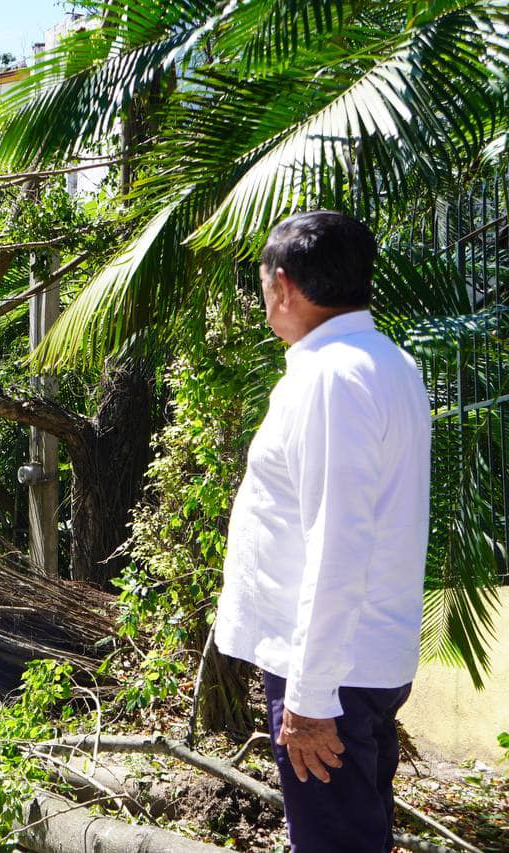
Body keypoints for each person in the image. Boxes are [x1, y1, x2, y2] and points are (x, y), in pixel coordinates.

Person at [215, 211, 431, 852]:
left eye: (262, 289)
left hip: (330, 673)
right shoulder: (384, 362)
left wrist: (309, 700)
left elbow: (338, 543)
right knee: (353, 833)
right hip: (357, 659)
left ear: (282, 286)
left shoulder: (331, 377)